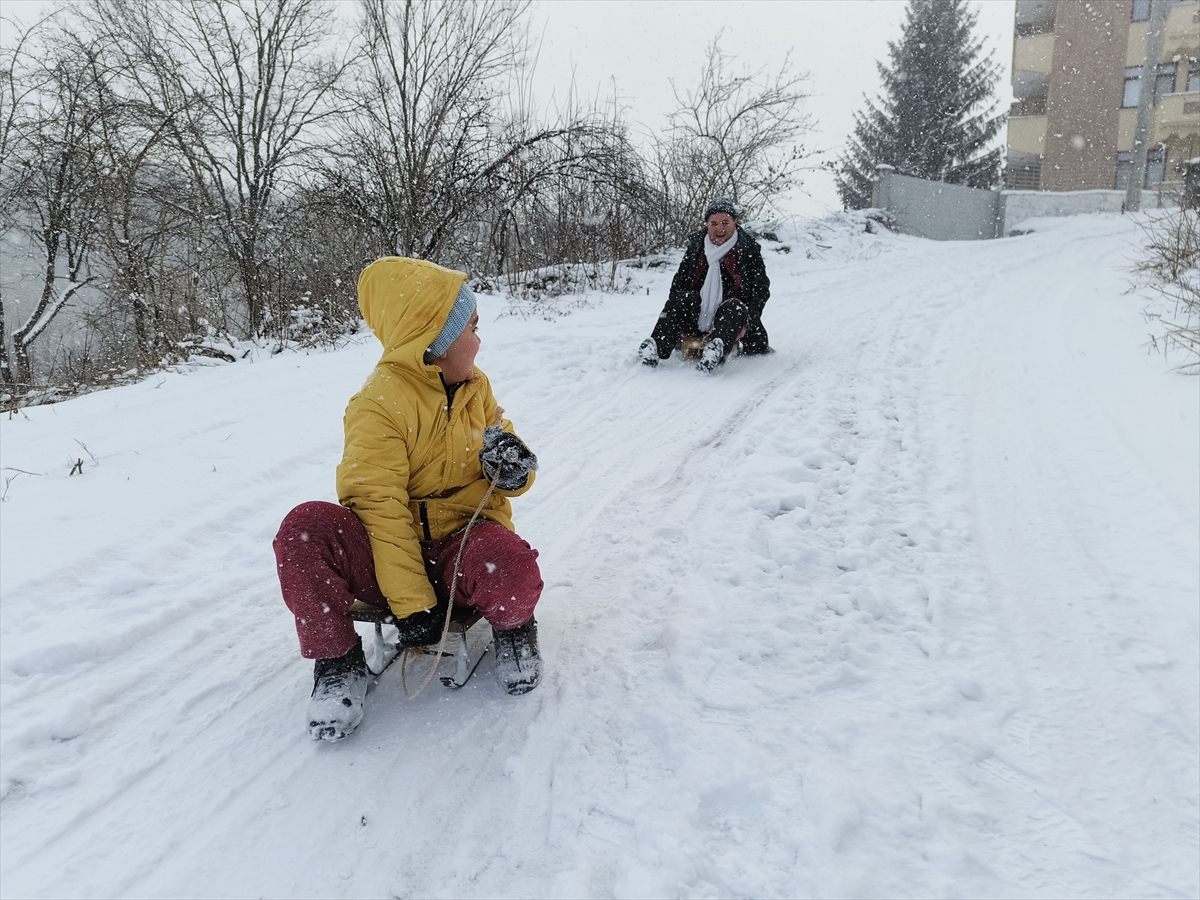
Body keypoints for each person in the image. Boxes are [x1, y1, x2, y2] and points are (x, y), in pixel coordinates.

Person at [273, 257, 544, 742]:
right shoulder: (378, 404)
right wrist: (413, 604)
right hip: (387, 557)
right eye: (472, 329)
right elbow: (378, 507)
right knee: (305, 528)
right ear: (433, 340)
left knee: (511, 566)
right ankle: (337, 662)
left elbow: (504, 450)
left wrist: (513, 469)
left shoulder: (475, 387)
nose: (480, 341)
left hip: (461, 547)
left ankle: (516, 630)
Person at [638, 197, 772, 372]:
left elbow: (761, 290)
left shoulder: (748, 249)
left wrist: (748, 324)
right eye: (714, 223)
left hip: (732, 319)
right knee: (681, 297)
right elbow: (679, 283)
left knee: (735, 306)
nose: (720, 228)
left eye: (725, 222)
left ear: (735, 223)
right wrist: (678, 321)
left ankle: (714, 351)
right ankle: (656, 347)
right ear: (707, 224)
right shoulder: (696, 247)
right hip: (699, 312)